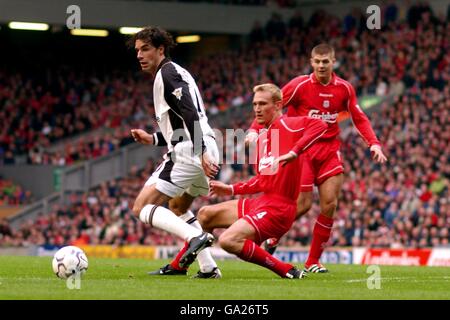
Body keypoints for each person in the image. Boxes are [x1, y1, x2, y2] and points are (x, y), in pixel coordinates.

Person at [248, 43, 387, 273]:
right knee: (300, 206)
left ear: (333, 62)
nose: (321, 65)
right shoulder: (299, 85)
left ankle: (313, 261)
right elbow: (270, 102)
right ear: (312, 62)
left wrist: (374, 143)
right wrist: (255, 129)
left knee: (330, 204)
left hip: (329, 150)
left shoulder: (344, 88)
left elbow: (359, 117)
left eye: (326, 61)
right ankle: (271, 236)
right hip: (301, 151)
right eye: (317, 61)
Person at [198, 83, 328, 279]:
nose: (257, 109)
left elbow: (321, 125)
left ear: (277, 105)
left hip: (279, 209)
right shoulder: (265, 137)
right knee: (205, 215)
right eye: (255, 104)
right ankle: (204, 269)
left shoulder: (288, 125)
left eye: (262, 104)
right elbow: (262, 182)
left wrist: (295, 152)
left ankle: (286, 270)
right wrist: (231, 188)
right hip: (263, 202)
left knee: (228, 240)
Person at [128, 26, 221, 278]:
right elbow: (181, 123)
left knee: (141, 207)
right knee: (178, 206)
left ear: (160, 49)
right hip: (204, 146)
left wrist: (200, 152)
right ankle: (209, 267)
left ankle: (195, 237)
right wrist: (154, 138)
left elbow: (189, 111)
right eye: (137, 50)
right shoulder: (174, 73)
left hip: (192, 150)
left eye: (145, 49)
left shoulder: (167, 74)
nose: (139, 55)